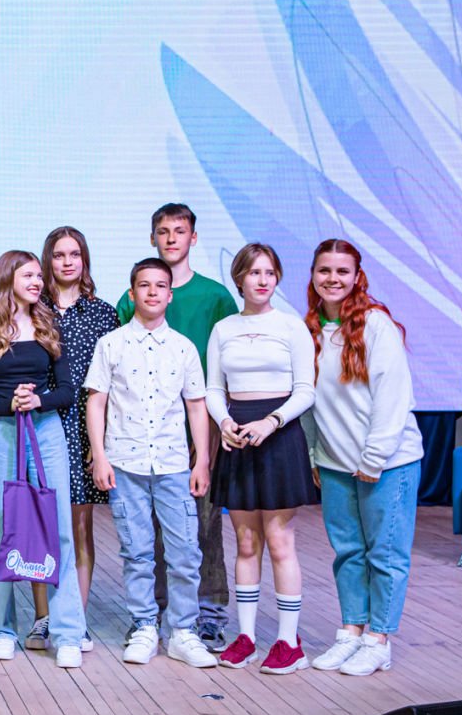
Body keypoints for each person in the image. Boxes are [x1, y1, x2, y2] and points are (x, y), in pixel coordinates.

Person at [86, 258, 219, 669]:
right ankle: (144, 625)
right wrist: (100, 456)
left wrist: (202, 461)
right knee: (137, 551)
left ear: (170, 295)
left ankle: (183, 631)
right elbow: (97, 402)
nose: (152, 292)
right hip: (125, 463)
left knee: (185, 552)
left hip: (173, 465)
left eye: (160, 286)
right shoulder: (111, 344)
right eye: (144, 285)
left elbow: (196, 406)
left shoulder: (183, 347)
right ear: (132, 293)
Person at [115, 203, 237, 648]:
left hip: (197, 432)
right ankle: (153, 614)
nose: (171, 238)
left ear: (193, 238)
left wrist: (214, 431)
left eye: (179, 231)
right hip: (141, 438)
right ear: (153, 238)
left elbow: (226, 364)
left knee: (201, 528)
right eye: (163, 231)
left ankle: (208, 613)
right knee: (147, 532)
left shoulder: (215, 297)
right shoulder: (131, 297)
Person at [302, 239, 423, 678]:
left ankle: (379, 640)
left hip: (387, 464)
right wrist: (315, 455)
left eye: (342, 271)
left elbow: (393, 398)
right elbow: (308, 402)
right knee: (348, 552)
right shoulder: (309, 330)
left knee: (384, 554)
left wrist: (373, 459)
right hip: (335, 464)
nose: (332, 279)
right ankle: (352, 631)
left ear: (357, 277)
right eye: (324, 270)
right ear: (313, 275)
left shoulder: (376, 325)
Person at [0, 251, 87, 668]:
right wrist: (9, 404)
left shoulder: (48, 324)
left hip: (46, 431)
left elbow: (67, 391)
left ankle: (67, 632)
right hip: (1, 434)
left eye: (39, 275)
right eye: (28, 275)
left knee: (59, 529)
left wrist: (37, 400)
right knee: (1, 531)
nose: (37, 281)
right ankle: (2, 630)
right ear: (7, 278)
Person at [206, 243, 320, 675]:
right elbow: (214, 388)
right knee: (245, 542)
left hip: (279, 435)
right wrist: (224, 422)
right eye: (254, 272)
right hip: (238, 436)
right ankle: (248, 637)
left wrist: (271, 422)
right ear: (239, 278)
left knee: (279, 540)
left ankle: (289, 642)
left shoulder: (291, 326)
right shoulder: (224, 329)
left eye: (269, 272)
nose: (262, 280)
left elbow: (306, 390)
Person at [39, 226, 117, 651]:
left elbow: (111, 386)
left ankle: (76, 616)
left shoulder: (103, 314)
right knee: (41, 524)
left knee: (79, 525)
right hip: (42, 423)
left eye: (74, 254)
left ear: (84, 259)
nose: (67, 262)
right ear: (47, 260)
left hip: (86, 428)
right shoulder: (33, 308)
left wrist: (99, 443)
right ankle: (44, 619)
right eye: (59, 254)